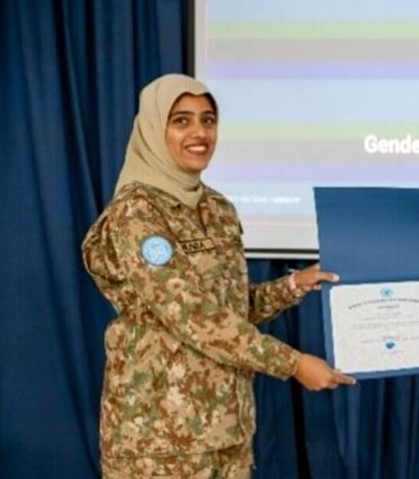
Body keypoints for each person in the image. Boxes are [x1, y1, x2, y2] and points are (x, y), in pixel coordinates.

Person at [82, 74, 355, 479]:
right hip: (157, 443)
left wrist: (293, 285)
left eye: (208, 120)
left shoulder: (217, 209)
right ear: (155, 130)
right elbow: (191, 315)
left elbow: (227, 309)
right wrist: (293, 363)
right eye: (181, 120)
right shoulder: (136, 213)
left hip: (226, 432)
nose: (199, 133)